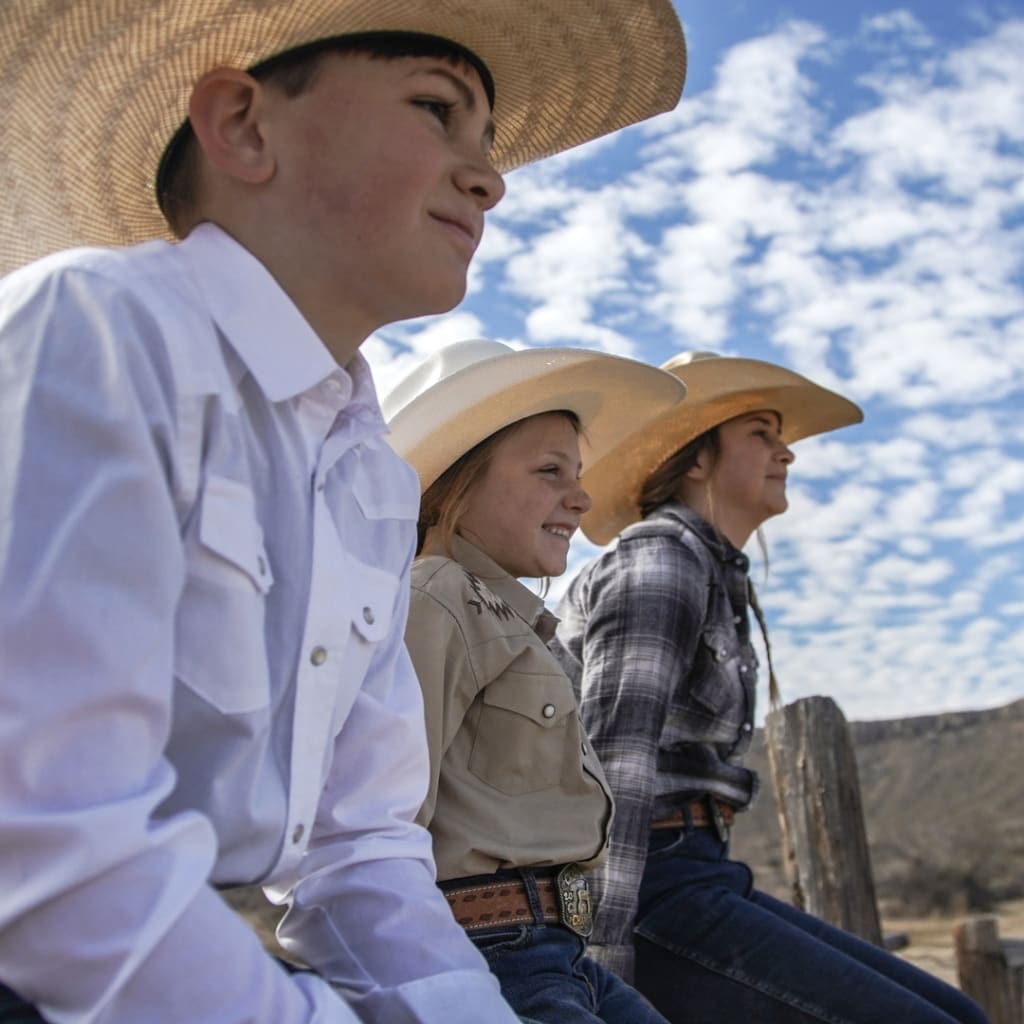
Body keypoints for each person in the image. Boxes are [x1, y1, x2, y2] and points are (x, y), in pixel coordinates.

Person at [0, 2, 687, 1021]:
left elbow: (357, 842)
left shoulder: (369, 479)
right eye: (434, 109)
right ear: (241, 124)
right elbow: (43, 835)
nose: (489, 176)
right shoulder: (103, 333)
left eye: (486, 140)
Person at [551, 351, 990, 1024]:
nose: (786, 451)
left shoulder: (709, 570)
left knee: (958, 1011)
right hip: (648, 886)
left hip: (695, 869)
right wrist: (598, 969)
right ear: (695, 458)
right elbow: (615, 772)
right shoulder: (662, 563)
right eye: (760, 432)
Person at [380, 339, 687, 1023]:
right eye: (551, 471)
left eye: (575, 474)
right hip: (489, 954)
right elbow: (384, 821)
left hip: (556, 951)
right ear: (457, 482)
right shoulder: (435, 601)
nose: (580, 497)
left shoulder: (516, 627)